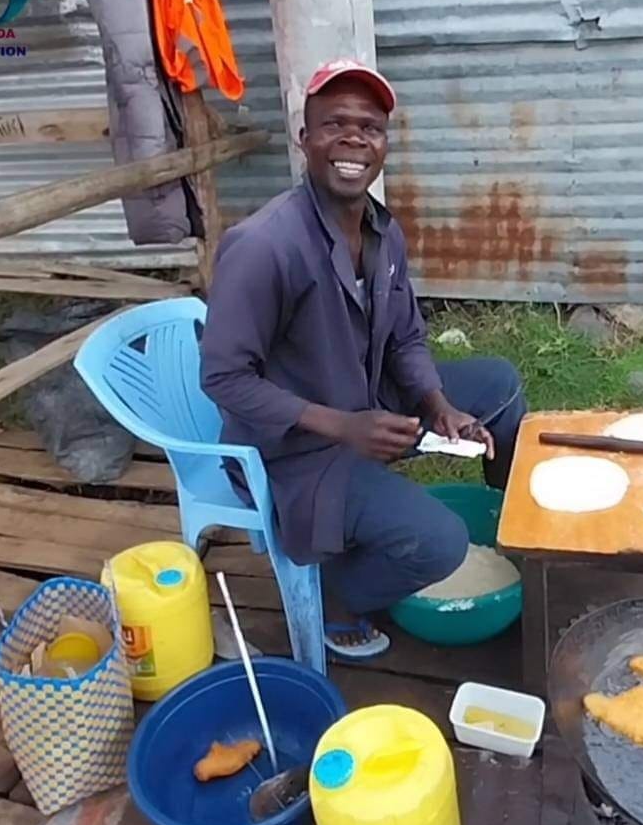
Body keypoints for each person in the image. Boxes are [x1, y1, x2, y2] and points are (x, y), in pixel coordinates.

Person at [200, 58, 527, 658]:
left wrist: (439, 405)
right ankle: (335, 596)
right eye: (334, 125)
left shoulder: (382, 230)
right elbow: (222, 377)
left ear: (383, 146)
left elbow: (405, 337)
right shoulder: (264, 246)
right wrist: (344, 426)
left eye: (370, 128)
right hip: (296, 451)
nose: (353, 139)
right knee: (440, 544)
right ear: (305, 140)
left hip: (365, 398)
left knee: (500, 386)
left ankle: (513, 530)